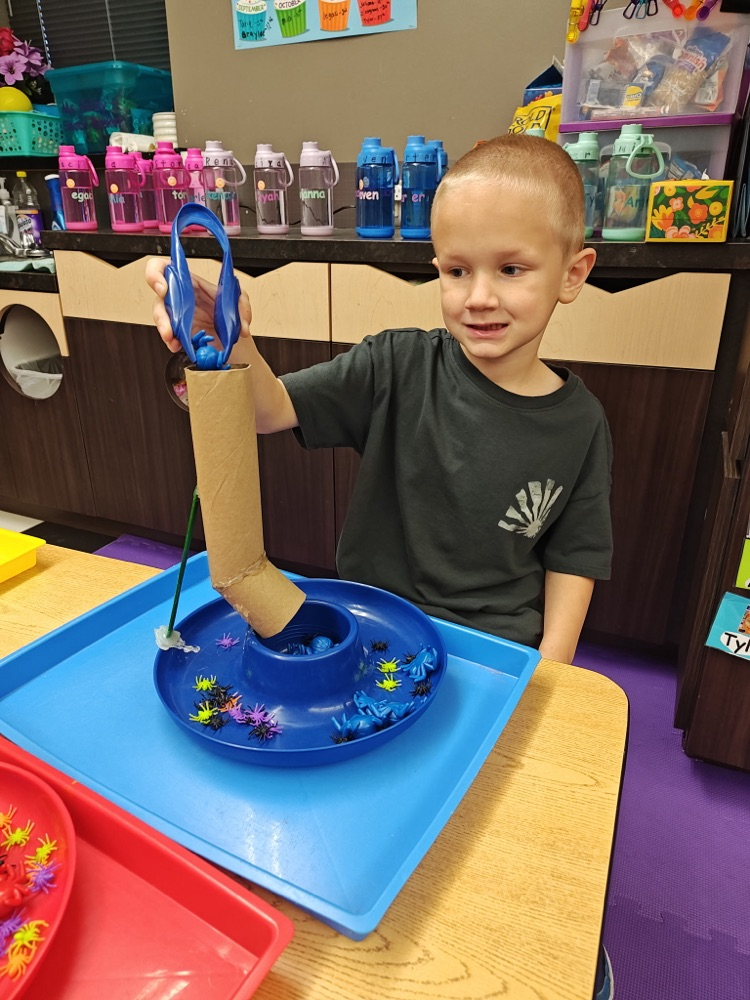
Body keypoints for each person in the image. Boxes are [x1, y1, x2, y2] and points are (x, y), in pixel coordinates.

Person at [148, 131, 614, 1000]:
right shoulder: (396, 364)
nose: (479, 296)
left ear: (573, 273)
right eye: (456, 270)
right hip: (363, 644)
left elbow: (576, 557)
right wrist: (227, 338)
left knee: (480, 856)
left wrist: (550, 675)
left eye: (511, 269)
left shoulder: (582, 425)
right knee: (343, 832)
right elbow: (268, 410)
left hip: (489, 655)